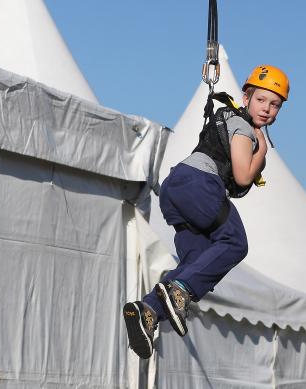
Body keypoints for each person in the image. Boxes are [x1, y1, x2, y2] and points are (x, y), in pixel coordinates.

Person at [123, 65, 289, 359]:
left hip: (177, 190)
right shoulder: (243, 129)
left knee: (196, 261)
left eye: (274, 104)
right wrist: (261, 152)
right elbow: (240, 176)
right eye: (261, 100)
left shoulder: (232, 121)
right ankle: (181, 289)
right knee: (235, 242)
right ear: (246, 97)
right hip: (198, 184)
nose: (267, 109)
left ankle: (148, 310)